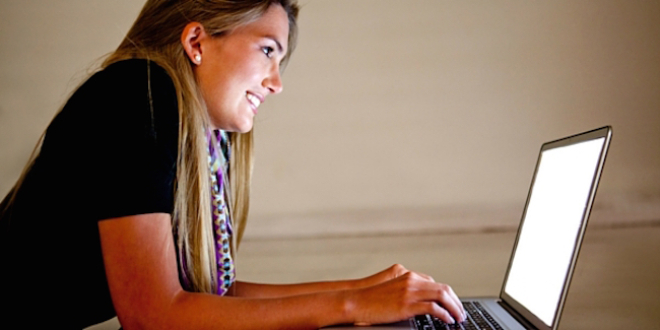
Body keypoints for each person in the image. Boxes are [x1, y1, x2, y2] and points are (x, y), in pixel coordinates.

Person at [0, 0, 466, 328]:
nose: (277, 82)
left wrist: (366, 293)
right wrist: (349, 304)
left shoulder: (192, 128)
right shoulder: (138, 94)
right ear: (197, 40)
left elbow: (204, 300)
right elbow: (155, 316)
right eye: (268, 50)